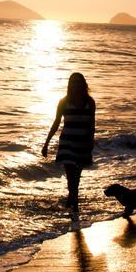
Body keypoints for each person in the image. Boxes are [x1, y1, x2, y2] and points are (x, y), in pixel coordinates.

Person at [42, 72, 96, 211]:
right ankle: (75, 205)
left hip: (83, 144)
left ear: (83, 84)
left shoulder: (89, 102)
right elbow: (56, 122)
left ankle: (71, 199)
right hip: (67, 143)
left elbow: (91, 124)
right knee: (70, 173)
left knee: (76, 177)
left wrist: (91, 142)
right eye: (73, 82)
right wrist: (46, 143)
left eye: (78, 82)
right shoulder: (63, 102)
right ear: (69, 85)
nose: (75, 84)